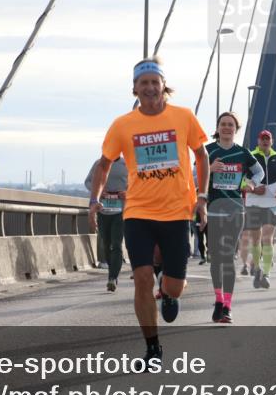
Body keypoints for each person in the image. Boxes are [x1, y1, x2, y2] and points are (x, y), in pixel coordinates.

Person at [89, 57, 209, 365]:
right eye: (144, 83)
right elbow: (104, 165)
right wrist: (94, 200)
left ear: (163, 86)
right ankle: (152, 348)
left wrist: (203, 196)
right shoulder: (123, 125)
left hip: (176, 212)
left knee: (175, 286)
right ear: (135, 89)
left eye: (155, 82)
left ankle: (168, 292)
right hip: (138, 212)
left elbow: (201, 155)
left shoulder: (183, 117)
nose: (150, 87)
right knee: (142, 277)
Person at [205, 112, 264, 324]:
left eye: (231, 125)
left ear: (236, 129)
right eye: (223, 124)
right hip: (213, 210)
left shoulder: (242, 152)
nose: (227, 128)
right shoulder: (208, 150)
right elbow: (193, 175)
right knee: (215, 258)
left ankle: (227, 307)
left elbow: (259, 173)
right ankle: (218, 300)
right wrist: (209, 169)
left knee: (228, 256)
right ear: (218, 127)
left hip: (235, 210)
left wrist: (251, 184)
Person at [244, 130, 276, 289]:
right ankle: (257, 270)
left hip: (272, 203)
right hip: (254, 202)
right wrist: (254, 190)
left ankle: (267, 273)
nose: (265, 141)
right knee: (256, 239)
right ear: (258, 140)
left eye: (267, 138)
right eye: (262, 138)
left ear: (272, 140)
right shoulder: (250, 156)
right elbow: (241, 182)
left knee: (267, 238)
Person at [85, 156, 128, 291]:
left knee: (116, 244)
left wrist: (127, 193)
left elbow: (137, 183)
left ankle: (112, 277)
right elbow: (87, 182)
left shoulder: (126, 164)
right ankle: (112, 271)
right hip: (103, 210)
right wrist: (98, 191)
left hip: (121, 211)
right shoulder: (99, 163)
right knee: (106, 244)